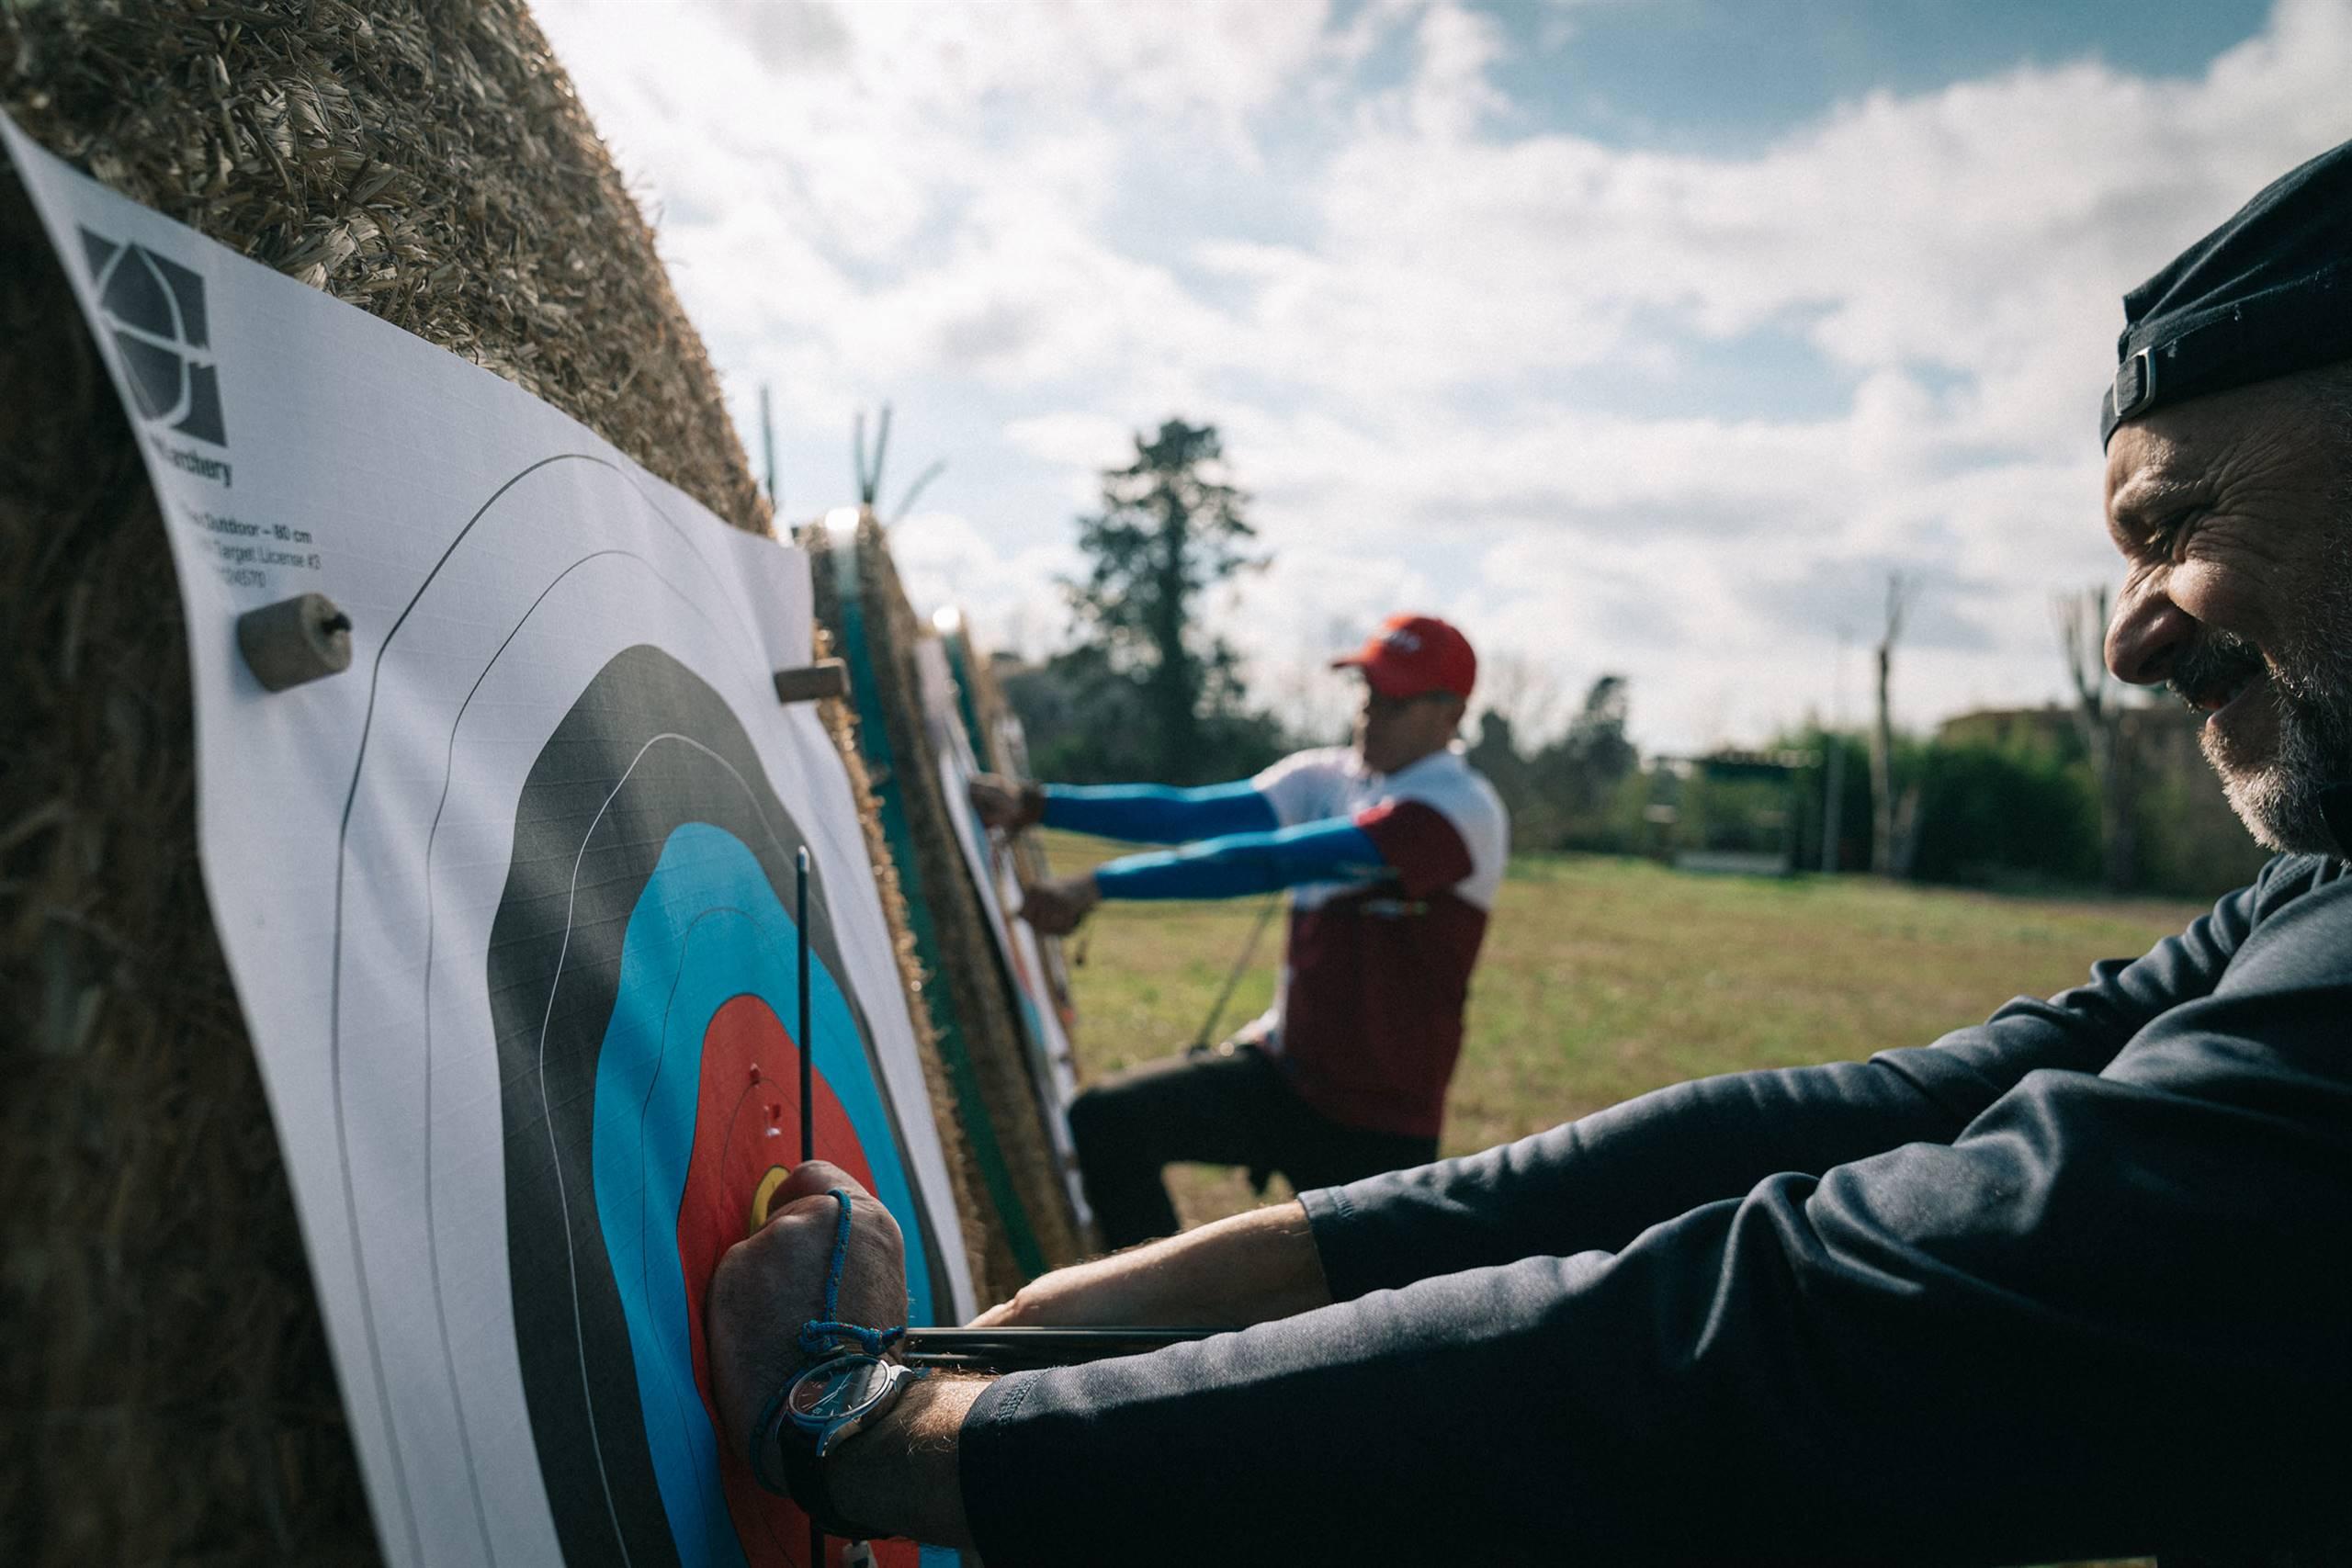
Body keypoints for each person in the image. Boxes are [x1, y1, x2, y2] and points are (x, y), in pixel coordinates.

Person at [707, 141, 2352, 1565]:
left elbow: (1769, 1329)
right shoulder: (2316, 889)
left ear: (1433, 706)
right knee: (1134, 1147)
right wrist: (1045, 830)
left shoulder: (1439, 811)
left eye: (2179, 525)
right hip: (1309, 1079)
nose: (2131, 639)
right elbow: (1907, 1101)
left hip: (1354, 1101)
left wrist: (887, 1430)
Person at [967, 613, 1509, 1247]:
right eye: (1368, 695)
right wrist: (1039, 805)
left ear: (1449, 715)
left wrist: (1098, 885)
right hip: (1285, 1073)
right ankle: (1157, 1326)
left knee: (1357, 1326)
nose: (1371, 714)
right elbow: (1193, 813)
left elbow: (1267, 860)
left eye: (1395, 701)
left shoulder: (1454, 808)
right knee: (1107, 1119)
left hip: (1381, 1114)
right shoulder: (1328, 775)